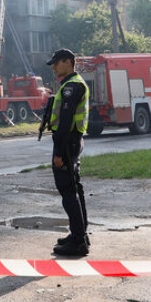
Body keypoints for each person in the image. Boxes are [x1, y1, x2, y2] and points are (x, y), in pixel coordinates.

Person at [42, 48, 90, 257]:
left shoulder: (72, 86)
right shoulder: (70, 84)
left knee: (68, 192)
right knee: (74, 189)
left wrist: (59, 153)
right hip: (72, 142)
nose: (54, 67)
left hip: (67, 143)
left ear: (69, 62)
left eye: (57, 63)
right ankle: (78, 234)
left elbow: (65, 122)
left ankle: (78, 241)